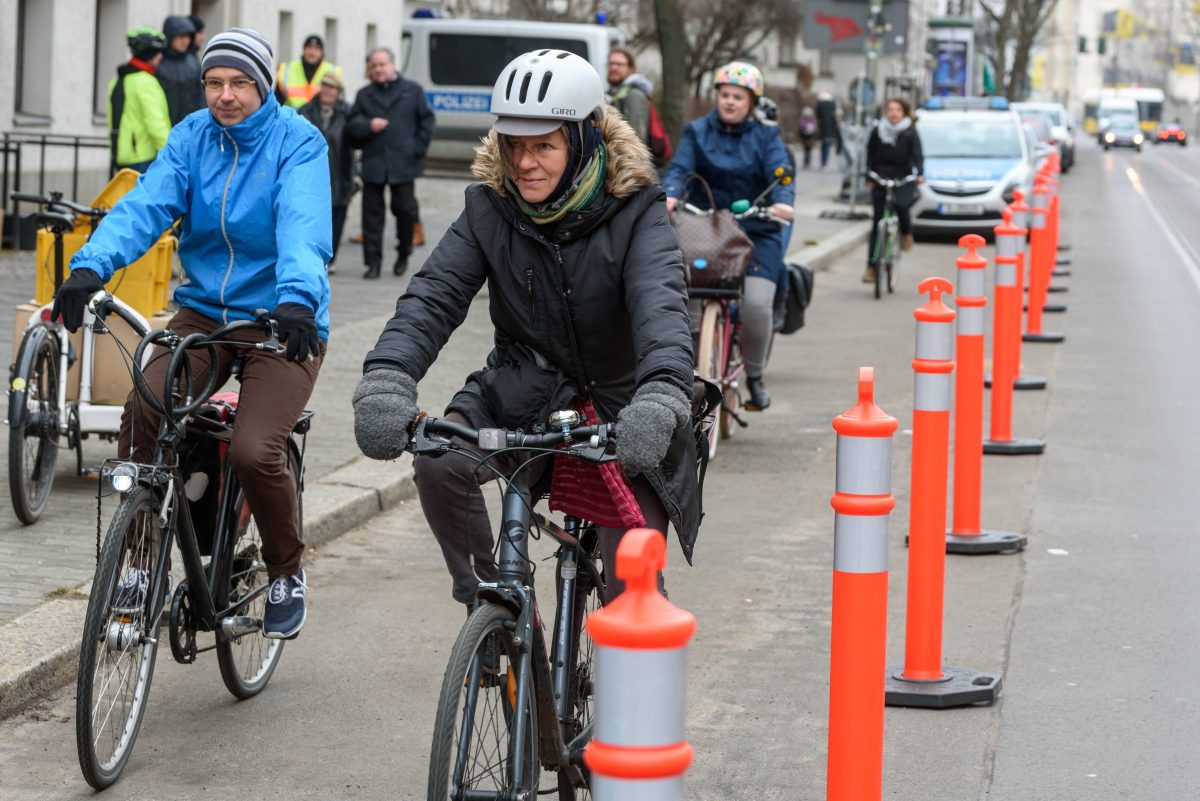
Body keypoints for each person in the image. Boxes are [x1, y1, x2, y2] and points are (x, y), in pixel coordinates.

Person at [351, 50, 698, 608]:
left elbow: (662, 310)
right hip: (519, 394)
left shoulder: (638, 211)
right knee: (439, 466)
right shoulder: (489, 208)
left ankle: (627, 690)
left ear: (582, 140)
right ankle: (494, 608)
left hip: (625, 410)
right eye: (514, 145)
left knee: (631, 590)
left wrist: (659, 396)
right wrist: (388, 376)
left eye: (544, 146)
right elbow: (432, 297)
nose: (524, 163)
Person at [53, 28, 331, 640]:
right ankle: (137, 566)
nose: (225, 96)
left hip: (281, 321)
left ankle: (286, 570)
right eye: (214, 83)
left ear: (262, 86)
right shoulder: (192, 137)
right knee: (144, 412)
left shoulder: (298, 143)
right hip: (203, 313)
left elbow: (302, 226)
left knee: (258, 449)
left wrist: (297, 299)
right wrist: (91, 266)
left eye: (238, 83)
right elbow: (145, 206)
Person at [662, 61, 794, 411]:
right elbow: (679, 168)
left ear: (752, 101)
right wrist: (670, 194)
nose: (731, 101)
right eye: (725, 95)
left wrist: (782, 203)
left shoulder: (766, 135)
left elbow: (780, 175)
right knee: (683, 293)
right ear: (716, 96)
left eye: (738, 96)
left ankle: (754, 375)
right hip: (705, 229)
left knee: (757, 305)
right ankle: (686, 373)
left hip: (756, 230)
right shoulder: (696, 131)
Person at [346, 47, 435, 279]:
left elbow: (427, 122)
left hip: (403, 163)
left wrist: (416, 149)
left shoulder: (412, 91)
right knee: (371, 217)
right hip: (374, 163)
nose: (378, 69)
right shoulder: (364, 95)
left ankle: (403, 253)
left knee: (405, 211)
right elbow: (351, 126)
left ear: (393, 65)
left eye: (382, 64)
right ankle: (373, 263)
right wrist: (368, 126)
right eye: (374, 66)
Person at [864, 97, 924, 284]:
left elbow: (917, 155)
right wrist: (869, 176)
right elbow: (870, 154)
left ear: (904, 112)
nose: (894, 113)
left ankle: (906, 233)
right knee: (877, 223)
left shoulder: (910, 132)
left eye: (898, 109)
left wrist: (919, 174)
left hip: (903, 178)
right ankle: (872, 268)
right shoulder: (877, 131)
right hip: (881, 178)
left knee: (901, 204)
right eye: (890, 109)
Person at [299, 72, 354, 274]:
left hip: (339, 175)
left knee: (337, 219)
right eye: (325, 86)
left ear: (339, 92)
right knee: (311, 218)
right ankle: (313, 257)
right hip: (311, 176)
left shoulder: (348, 113)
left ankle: (331, 259)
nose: (328, 91)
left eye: (332, 87)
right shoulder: (305, 110)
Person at [107, 27, 171, 173]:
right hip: (143, 157)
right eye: (158, 53)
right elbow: (155, 123)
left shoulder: (117, 79)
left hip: (121, 156)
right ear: (150, 54)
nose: (161, 57)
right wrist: (171, 153)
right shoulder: (145, 82)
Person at [157, 15, 204, 125]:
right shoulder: (158, 63)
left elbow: (201, 98)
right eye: (181, 36)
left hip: (190, 129)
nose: (186, 41)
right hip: (163, 128)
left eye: (188, 37)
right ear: (170, 37)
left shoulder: (194, 64)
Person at [276, 34, 343, 110]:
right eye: (309, 47)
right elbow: (277, 101)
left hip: (320, 119)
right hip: (291, 119)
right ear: (304, 50)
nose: (312, 52)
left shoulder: (332, 71)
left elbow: (340, 103)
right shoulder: (287, 69)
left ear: (322, 52)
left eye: (316, 48)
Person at [606, 46, 652, 146]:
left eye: (619, 64)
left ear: (630, 68)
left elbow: (637, 140)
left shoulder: (635, 95)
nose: (613, 67)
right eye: (611, 63)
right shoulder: (614, 93)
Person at [816, 90, 842, 169]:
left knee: (824, 146)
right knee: (827, 146)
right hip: (831, 129)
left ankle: (823, 163)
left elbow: (818, 115)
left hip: (823, 129)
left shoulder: (820, 104)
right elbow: (837, 115)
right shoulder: (833, 104)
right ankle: (825, 163)